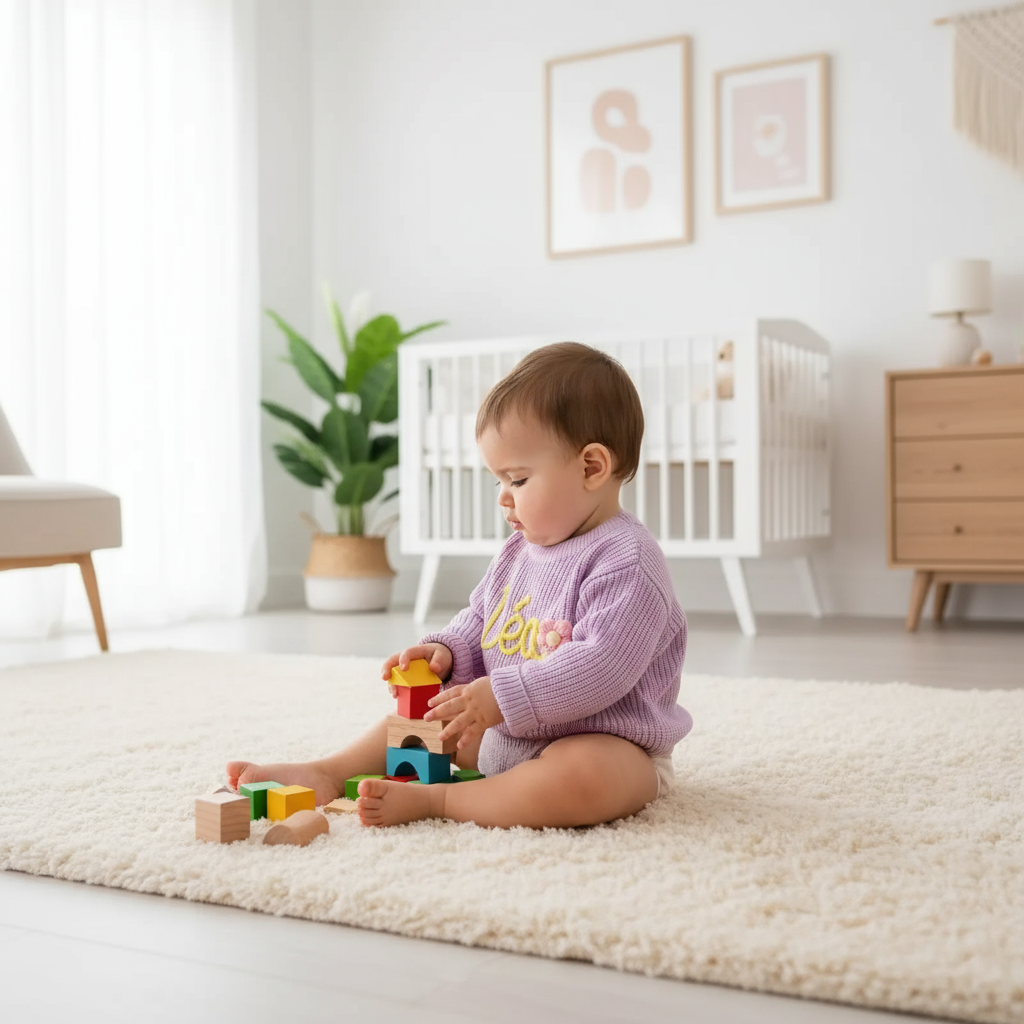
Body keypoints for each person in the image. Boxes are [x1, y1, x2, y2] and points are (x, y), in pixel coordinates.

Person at [227, 342, 692, 828]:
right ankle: (327, 772)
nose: (504, 499)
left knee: (585, 775)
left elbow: (602, 668)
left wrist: (500, 697)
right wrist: (449, 653)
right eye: (499, 483)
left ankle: (440, 803)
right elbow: (482, 620)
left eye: (517, 479)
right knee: (421, 725)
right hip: (505, 735)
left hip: (605, 743)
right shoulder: (518, 552)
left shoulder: (628, 561)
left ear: (591, 467)